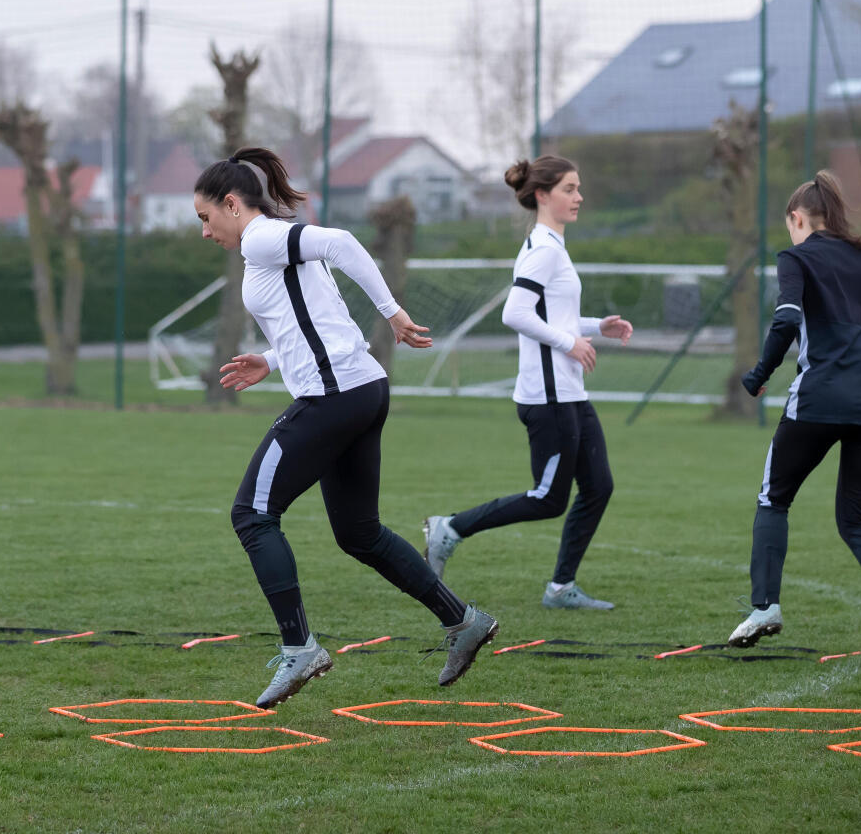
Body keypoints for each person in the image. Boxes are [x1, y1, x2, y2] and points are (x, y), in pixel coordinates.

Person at [199, 147, 498, 708]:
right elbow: (313, 321)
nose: (205, 229)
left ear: (233, 205)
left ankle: (299, 649)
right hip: (362, 388)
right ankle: (464, 622)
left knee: (252, 515)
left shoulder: (262, 238)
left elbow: (340, 243)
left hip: (335, 395)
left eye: (205, 217)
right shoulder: (271, 243)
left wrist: (393, 312)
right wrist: (271, 359)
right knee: (359, 533)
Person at [730, 170, 861, 663]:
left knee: (773, 498)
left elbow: (787, 318)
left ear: (798, 219)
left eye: (789, 225)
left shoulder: (796, 258)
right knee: (858, 520)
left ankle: (765, 606)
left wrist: (758, 374)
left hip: (819, 399)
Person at [422, 155, 633, 610]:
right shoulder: (542, 250)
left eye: (578, 189)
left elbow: (554, 315)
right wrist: (569, 343)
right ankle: (451, 527)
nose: (579, 197)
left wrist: (597, 327)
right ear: (542, 195)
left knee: (598, 486)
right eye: (570, 189)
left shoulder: (551, 246)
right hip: (549, 396)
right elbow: (514, 313)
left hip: (570, 391)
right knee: (547, 498)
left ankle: (560, 589)